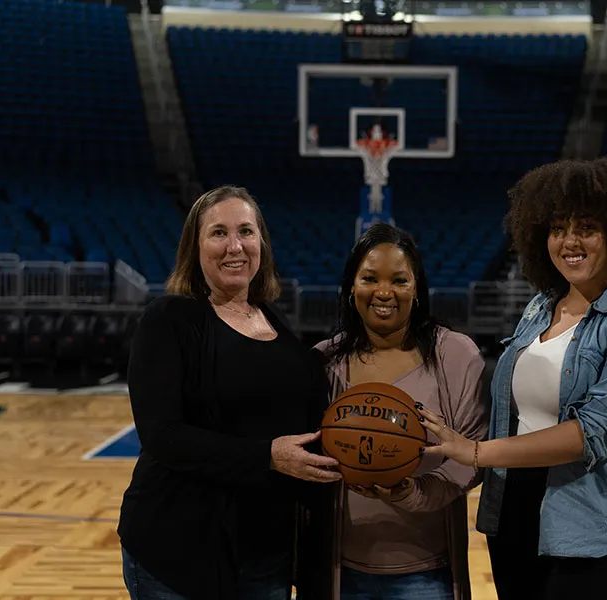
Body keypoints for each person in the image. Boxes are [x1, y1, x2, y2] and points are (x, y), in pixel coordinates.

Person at [419, 157, 607, 599]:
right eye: (558, 228)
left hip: (601, 531)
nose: (569, 241)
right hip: (515, 516)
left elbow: (594, 432)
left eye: (587, 227)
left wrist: (476, 452)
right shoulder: (540, 308)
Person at [117, 185, 342, 600]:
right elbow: (162, 436)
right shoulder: (169, 320)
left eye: (246, 232)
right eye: (218, 233)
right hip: (178, 551)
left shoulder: (275, 322)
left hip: (265, 555)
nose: (234, 246)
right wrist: (268, 457)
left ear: (262, 244)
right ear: (194, 247)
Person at [312, 223, 489, 600]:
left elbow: (473, 458)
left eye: (400, 280)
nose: (384, 292)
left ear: (417, 289)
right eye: (369, 278)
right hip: (340, 572)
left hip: (427, 573)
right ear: (351, 288)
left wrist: (412, 492)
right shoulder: (323, 360)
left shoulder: (456, 355)